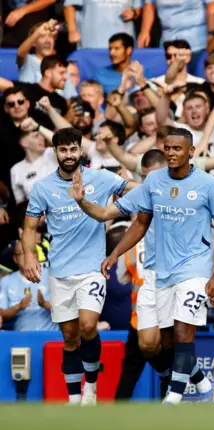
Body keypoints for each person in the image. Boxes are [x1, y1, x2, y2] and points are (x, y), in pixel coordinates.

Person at [72, 148, 214, 401]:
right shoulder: (148, 193)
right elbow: (107, 214)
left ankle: (173, 398)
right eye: (148, 177)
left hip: (191, 272)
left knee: (182, 334)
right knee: (150, 345)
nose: (155, 182)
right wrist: (81, 202)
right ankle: (204, 385)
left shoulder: (199, 192)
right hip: (155, 276)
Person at [21, 127, 134, 405]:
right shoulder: (43, 187)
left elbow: (131, 188)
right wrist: (29, 255)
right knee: (70, 338)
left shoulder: (100, 178)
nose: (69, 155)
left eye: (74, 149)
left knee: (87, 326)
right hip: (59, 273)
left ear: (81, 150)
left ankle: (91, 389)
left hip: (91, 271)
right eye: (63, 150)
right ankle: (74, 400)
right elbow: (29, 226)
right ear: (56, 152)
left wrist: (157, 185)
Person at [138, 0, 214, 74]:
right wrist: (145, 31)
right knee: (169, 82)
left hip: (197, 44)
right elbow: (149, 4)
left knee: (197, 82)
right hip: (168, 42)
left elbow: (212, 5)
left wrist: (212, 34)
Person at [0, 240, 57, 331]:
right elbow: (1, 314)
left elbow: (68, 310)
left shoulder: (52, 276)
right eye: (22, 253)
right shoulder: (6, 281)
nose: (27, 257)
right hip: (21, 339)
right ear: (15, 258)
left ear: (37, 255)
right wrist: (19, 307)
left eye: (31, 252)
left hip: (50, 337)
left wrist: (44, 304)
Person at [64, 0, 142, 48]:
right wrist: (72, 30)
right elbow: (69, 6)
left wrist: (133, 13)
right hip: (92, 43)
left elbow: (138, 8)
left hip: (124, 45)